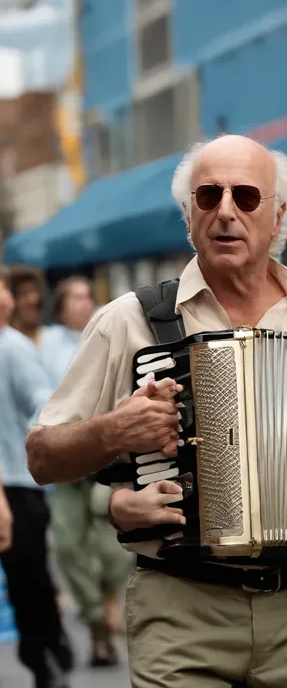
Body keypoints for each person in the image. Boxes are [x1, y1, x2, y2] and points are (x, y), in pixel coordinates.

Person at [26, 135, 287, 688]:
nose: (226, 211)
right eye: (209, 196)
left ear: (279, 216)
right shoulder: (130, 321)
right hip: (180, 603)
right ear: (189, 216)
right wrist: (116, 430)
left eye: (246, 197)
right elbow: (42, 456)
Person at [41, 276, 132, 667]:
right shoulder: (44, 345)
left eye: (85, 296)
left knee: (112, 550)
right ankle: (97, 618)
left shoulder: (110, 336)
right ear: (60, 305)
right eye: (73, 297)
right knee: (67, 548)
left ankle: (104, 620)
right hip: (64, 468)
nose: (81, 304)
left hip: (105, 462)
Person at [0, 266, 73, 688]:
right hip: (12, 483)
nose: (10, 296)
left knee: (29, 578)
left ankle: (44, 651)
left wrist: (39, 443)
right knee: (26, 579)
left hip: (17, 485)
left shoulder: (12, 347)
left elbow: (41, 399)